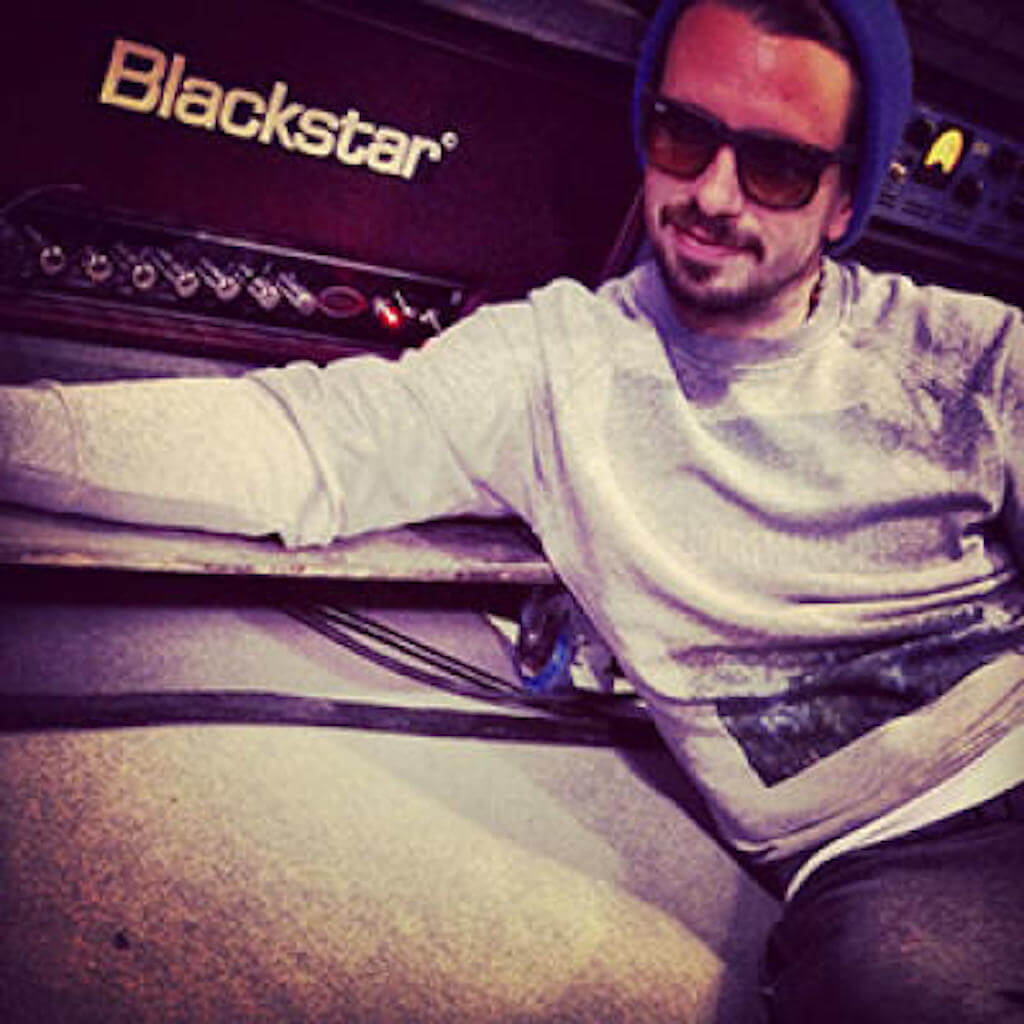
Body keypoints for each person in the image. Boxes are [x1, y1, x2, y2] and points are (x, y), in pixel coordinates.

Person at [1, 0, 1022, 1019]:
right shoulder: (552, 367)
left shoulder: (971, 354)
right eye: (683, 134)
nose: (712, 194)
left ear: (843, 201)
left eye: (777, 166)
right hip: (888, 861)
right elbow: (299, 444)